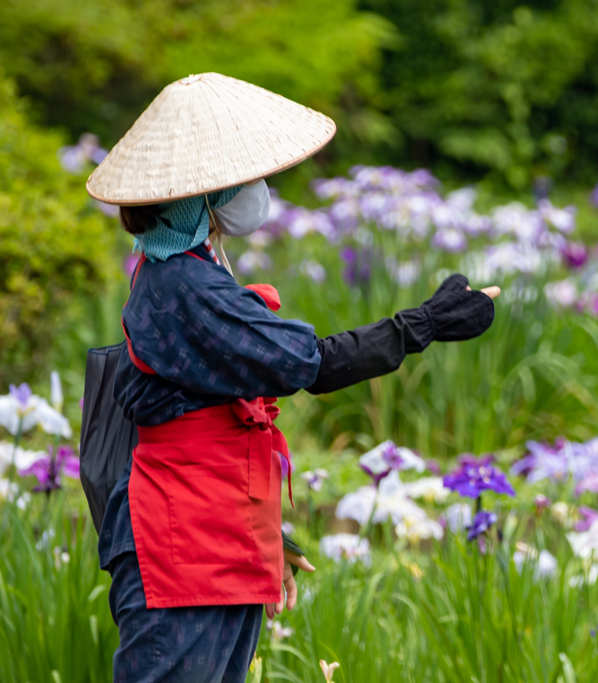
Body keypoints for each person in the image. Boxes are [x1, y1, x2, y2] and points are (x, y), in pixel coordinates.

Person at [86, 73, 499, 682]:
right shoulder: (187, 288)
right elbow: (313, 364)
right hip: (182, 549)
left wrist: (266, 535)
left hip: (212, 531)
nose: (255, 191)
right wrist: (425, 324)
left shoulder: (182, 269)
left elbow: (210, 428)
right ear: (200, 197)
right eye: (238, 181)